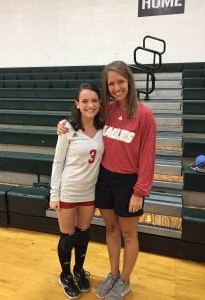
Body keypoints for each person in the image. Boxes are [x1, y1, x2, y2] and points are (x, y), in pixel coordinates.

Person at [57, 60, 156, 300]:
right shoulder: (107, 110)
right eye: (111, 83)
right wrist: (63, 124)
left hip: (129, 183)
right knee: (111, 229)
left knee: (129, 234)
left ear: (129, 82)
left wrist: (140, 191)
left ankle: (125, 280)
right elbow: (83, 115)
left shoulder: (144, 114)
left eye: (120, 82)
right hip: (105, 178)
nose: (116, 87)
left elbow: (148, 155)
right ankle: (113, 274)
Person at [50, 82, 104, 299]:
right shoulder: (67, 129)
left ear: (100, 103)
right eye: (85, 101)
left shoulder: (104, 128)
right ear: (77, 104)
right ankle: (65, 275)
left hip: (89, 193)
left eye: (94, 100)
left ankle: (79, 271)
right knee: (68, 236)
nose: (90, 105)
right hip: (68, 191)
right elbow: (58, 162)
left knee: (83, 235)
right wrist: (55, 194)